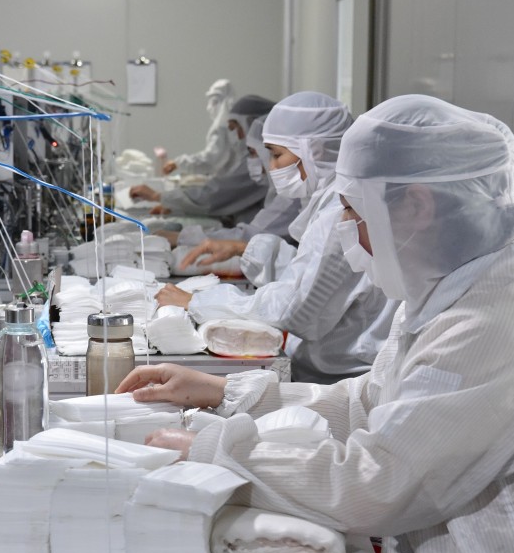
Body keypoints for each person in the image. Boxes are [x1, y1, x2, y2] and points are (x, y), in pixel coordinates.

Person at [119, 95, 514, 553]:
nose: (346, 230)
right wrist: (228, 395)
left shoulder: (500, 318)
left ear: (416, 204)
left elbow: (378, 483)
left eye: (352, 211)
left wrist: (217, 451)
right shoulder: (464, 282)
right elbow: (373, 399)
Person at [157, 91, 397, 383]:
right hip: (337, 366)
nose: (272, 167)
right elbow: (311, 273)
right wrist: (246, 250)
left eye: (276, 153)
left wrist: (199, 302)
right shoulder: (331, 200)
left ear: (314, 150)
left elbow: (297, 310)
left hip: (340, 376)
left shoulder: (341, 210)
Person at [130, 95, 299, 229]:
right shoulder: (259, 164)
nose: (235, 136)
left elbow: (217, 194)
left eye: (236, 128)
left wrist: (160, 197)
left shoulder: (285, 187)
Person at [159, 79, 237, 178]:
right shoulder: (233, 128)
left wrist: (178, 163)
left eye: (213, 102)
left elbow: (210, 160)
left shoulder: (222, 129)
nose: (208, 108)